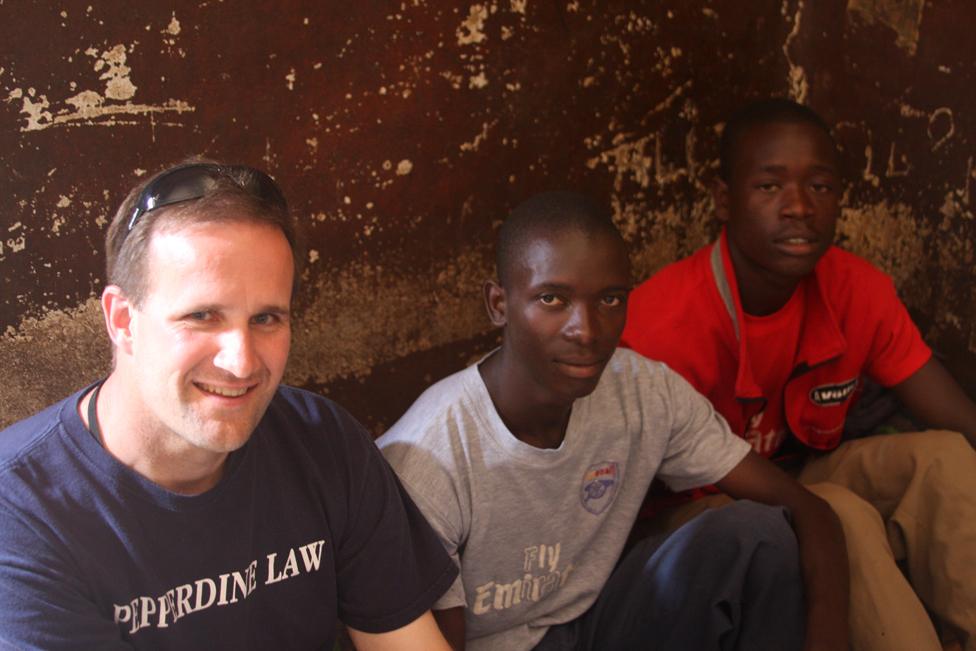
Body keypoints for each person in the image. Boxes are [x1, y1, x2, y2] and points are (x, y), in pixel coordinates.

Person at [0, 162, 457, 650]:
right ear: (121, 319)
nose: (241, 363)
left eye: (265, 318)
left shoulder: (325, 441)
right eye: (202, 316)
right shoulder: (21, 516)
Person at [378, 191, 849, 651]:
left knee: (757, 536)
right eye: (552, 300)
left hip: (599, 622)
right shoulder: (429, 457)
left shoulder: (643, 392)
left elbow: (809, 510)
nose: (585, 330)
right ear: (499, 305)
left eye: (609, 300)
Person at [622, 98, 976, 651]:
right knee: (842, 517)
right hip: (697, 515)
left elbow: (954, 413)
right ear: (724, 199)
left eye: (820, 187)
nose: (799, 208)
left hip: (801, 473)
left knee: (947, 458)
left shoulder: (854, 287)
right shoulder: (662, 325)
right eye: (769, 187)